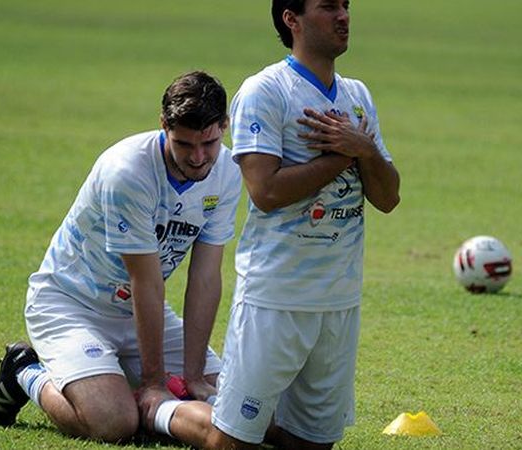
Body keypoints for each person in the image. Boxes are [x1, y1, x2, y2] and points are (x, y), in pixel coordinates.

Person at [138, 1, 401, 449]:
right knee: (231, 441)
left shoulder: (357, 96)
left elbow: (388, 197)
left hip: (339, 299)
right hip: (275, 297)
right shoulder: (266, 91)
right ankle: (154, 410)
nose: (343, 16)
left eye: (346, 6)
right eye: (328, 6)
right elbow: (267, 190)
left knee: (312, 444)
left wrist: (366, 150)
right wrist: (345, 155)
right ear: (291, 19)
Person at [0, 70, 241, 443]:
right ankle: (26, 372)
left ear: (224, 126)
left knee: (230, 399)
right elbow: (146, 281)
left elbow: (205, 278)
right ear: (163, 125)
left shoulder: (227, 173)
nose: (199, 158)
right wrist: (154, 383)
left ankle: (118, 374)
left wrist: (195, 376)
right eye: (184, 144)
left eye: (209, 143)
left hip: (134, 310)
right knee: (114, 422)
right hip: (71, 305)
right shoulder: (128, 171)